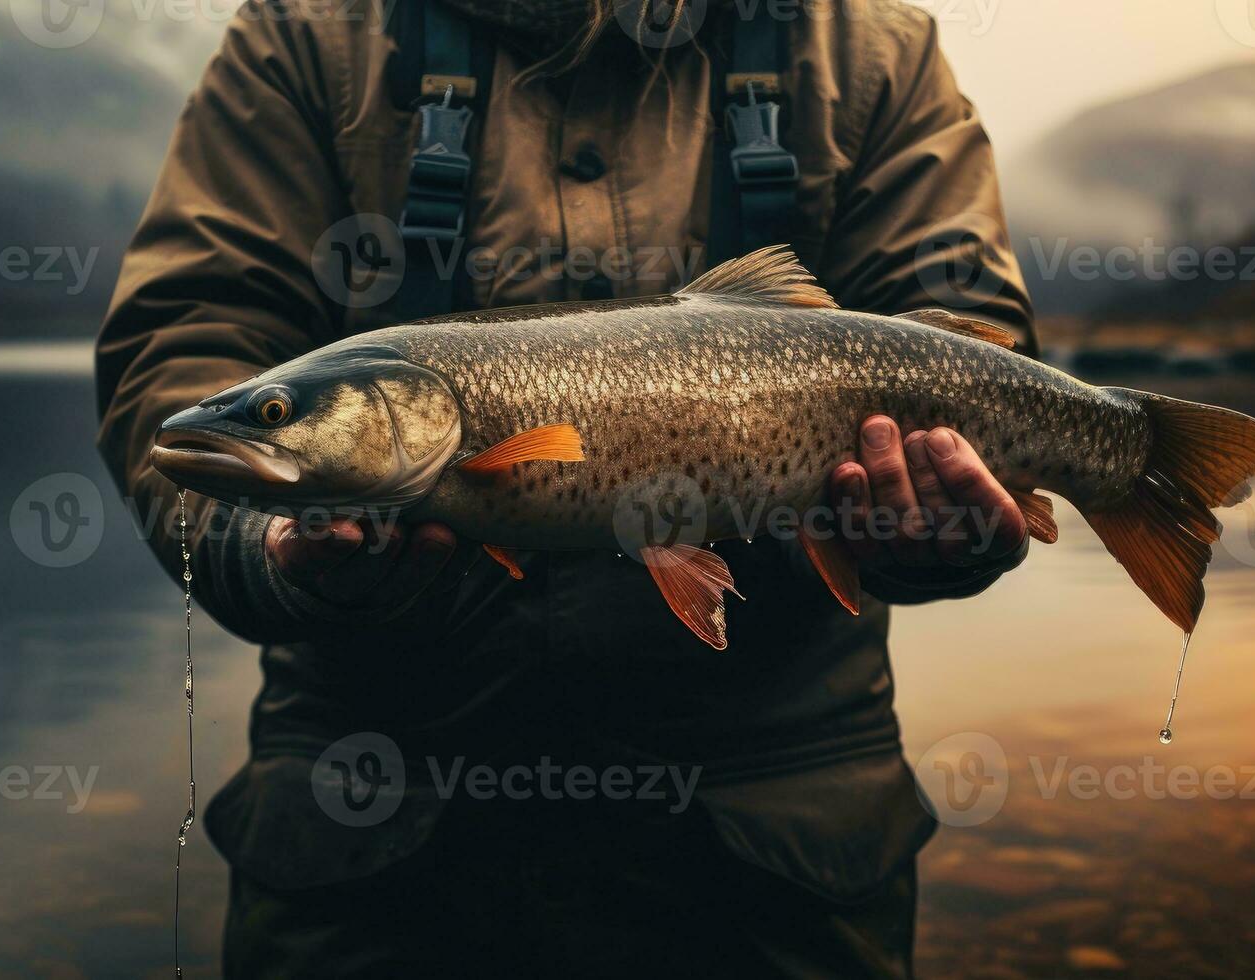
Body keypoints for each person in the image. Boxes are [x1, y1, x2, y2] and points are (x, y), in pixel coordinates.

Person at [96, 0, 1035, 974]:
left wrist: (938, 523)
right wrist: (266, 548)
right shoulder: (308, 31)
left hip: (779, 811)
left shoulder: (866, 41)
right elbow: (185, 342)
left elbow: (963, 333)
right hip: (372, 800)